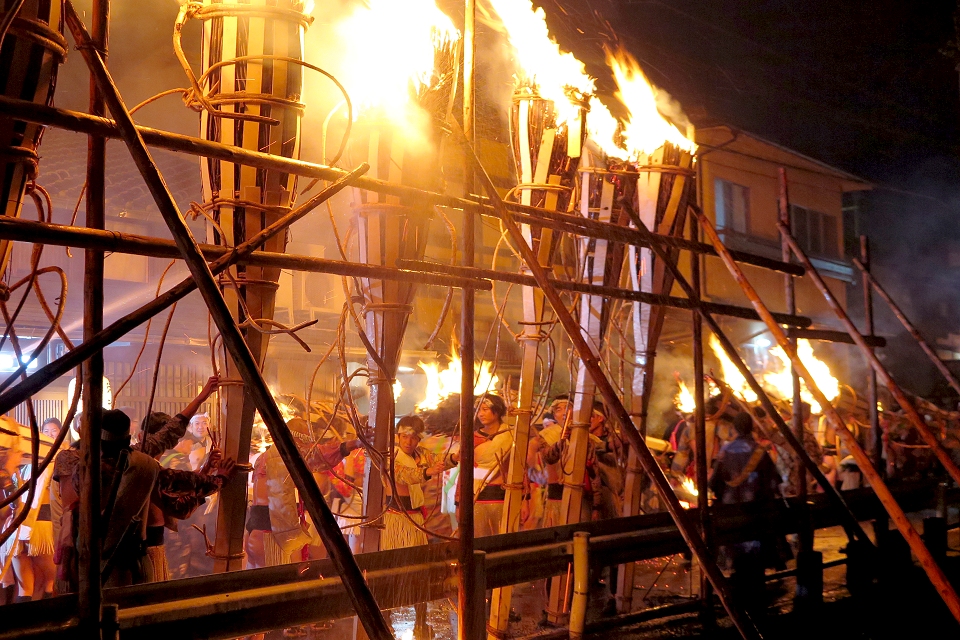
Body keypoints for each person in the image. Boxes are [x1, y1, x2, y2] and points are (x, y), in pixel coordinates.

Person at [383, 415, 458, 639]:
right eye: (405, 436)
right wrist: (428, 472)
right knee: (390, 569)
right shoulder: (390, 456)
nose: (409, 441)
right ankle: (384, 621)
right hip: (395, 518)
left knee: (420, 569)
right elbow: (404, 475)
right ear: (398, 436)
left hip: (415, 517)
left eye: (414, 437)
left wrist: (454, 458)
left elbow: (439, 459)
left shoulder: (420, 454)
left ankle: (420, 620)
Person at [710, 411, 780, 605]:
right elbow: (773, 483)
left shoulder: (725, 451)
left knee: (737, 555)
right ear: (752, 427)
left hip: (731, 516)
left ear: (734, 428)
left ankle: (739, 594)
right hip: (756, 515)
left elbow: (714, 484)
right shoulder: (760, 451)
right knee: (755, 562)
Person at [463, 394, 512, 537]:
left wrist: (526, 499)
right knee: (479, 540)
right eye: (478, 410)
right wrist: (460, 502)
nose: (480, 414)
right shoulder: (472, 438)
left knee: (504, 539)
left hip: (504, 497)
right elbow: (465, 471)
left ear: (497, 411)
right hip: (478, 497)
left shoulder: (511, 436)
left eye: (485, 409)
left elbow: (520, 468)